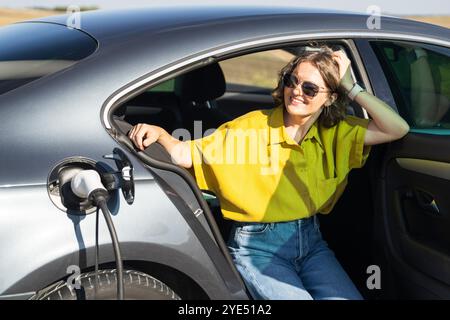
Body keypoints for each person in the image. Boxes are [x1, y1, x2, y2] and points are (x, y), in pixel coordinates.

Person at [128, 45, 410, 300]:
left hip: (311, 243)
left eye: (310, 89)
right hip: (257, 247)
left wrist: (352, 87)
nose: (297, 91)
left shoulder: (336, 132)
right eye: (292, 81)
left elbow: (397, 128)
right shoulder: (251, 128)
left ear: (329, 98)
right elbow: (184, 154)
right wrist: (161, 134)